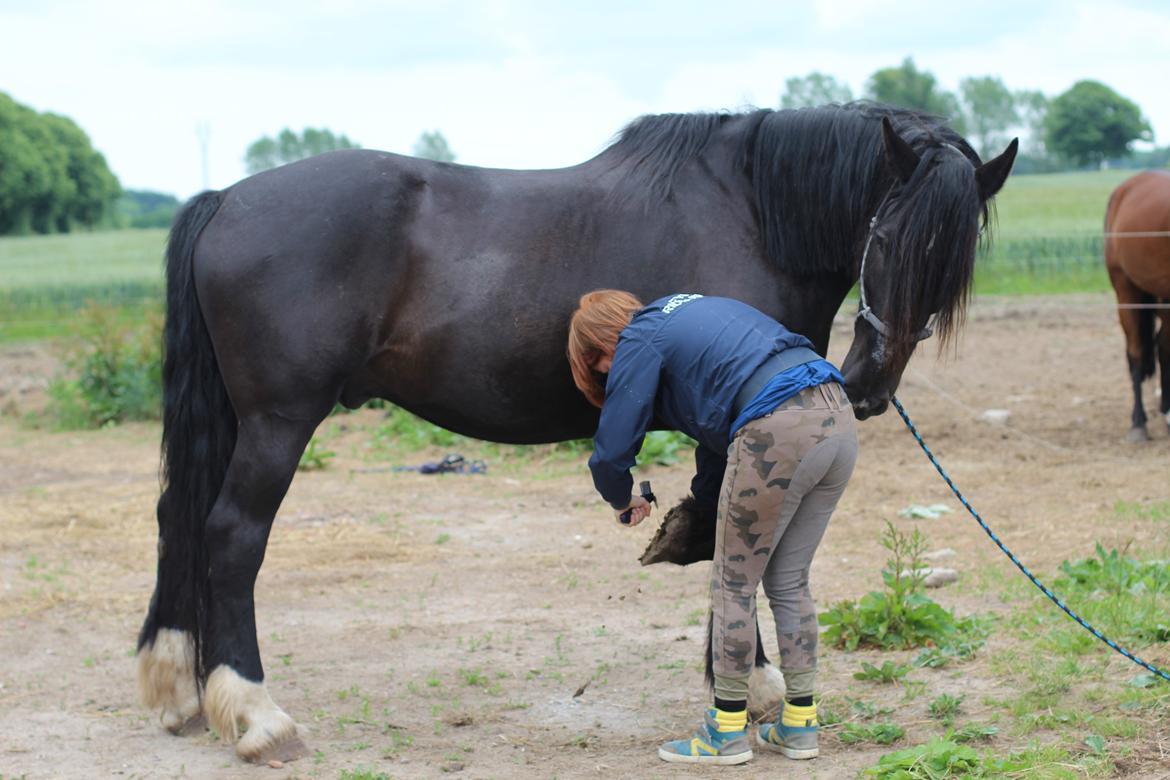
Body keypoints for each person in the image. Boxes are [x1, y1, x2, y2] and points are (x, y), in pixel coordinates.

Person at [567, 290, 858, 766]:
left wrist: (622, 498)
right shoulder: (695, 318)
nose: (609, 376)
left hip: (776, 427)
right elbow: (718, 441)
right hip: (837, 420)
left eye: (600, 367)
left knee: (733, 586)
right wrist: (702, 506)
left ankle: (725, 733)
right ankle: (800, 726)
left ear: (605, 344)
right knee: (788, 580)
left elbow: (611, 451)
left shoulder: (640, 336)